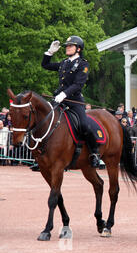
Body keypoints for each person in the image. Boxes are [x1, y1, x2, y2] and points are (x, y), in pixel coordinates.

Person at [42, 36, 101, 167]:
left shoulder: (83, 64)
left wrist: (64, 94)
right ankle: (42, 155)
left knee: (84, 125)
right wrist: (49, 53)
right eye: (67, 46)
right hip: (59, 100)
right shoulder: (64, 63)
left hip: (74, 101)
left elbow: (78, 84)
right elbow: (45, 65)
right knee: (44, 120)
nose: (67, 47)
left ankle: (95, 153)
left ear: (78, 49)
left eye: (70, 45)